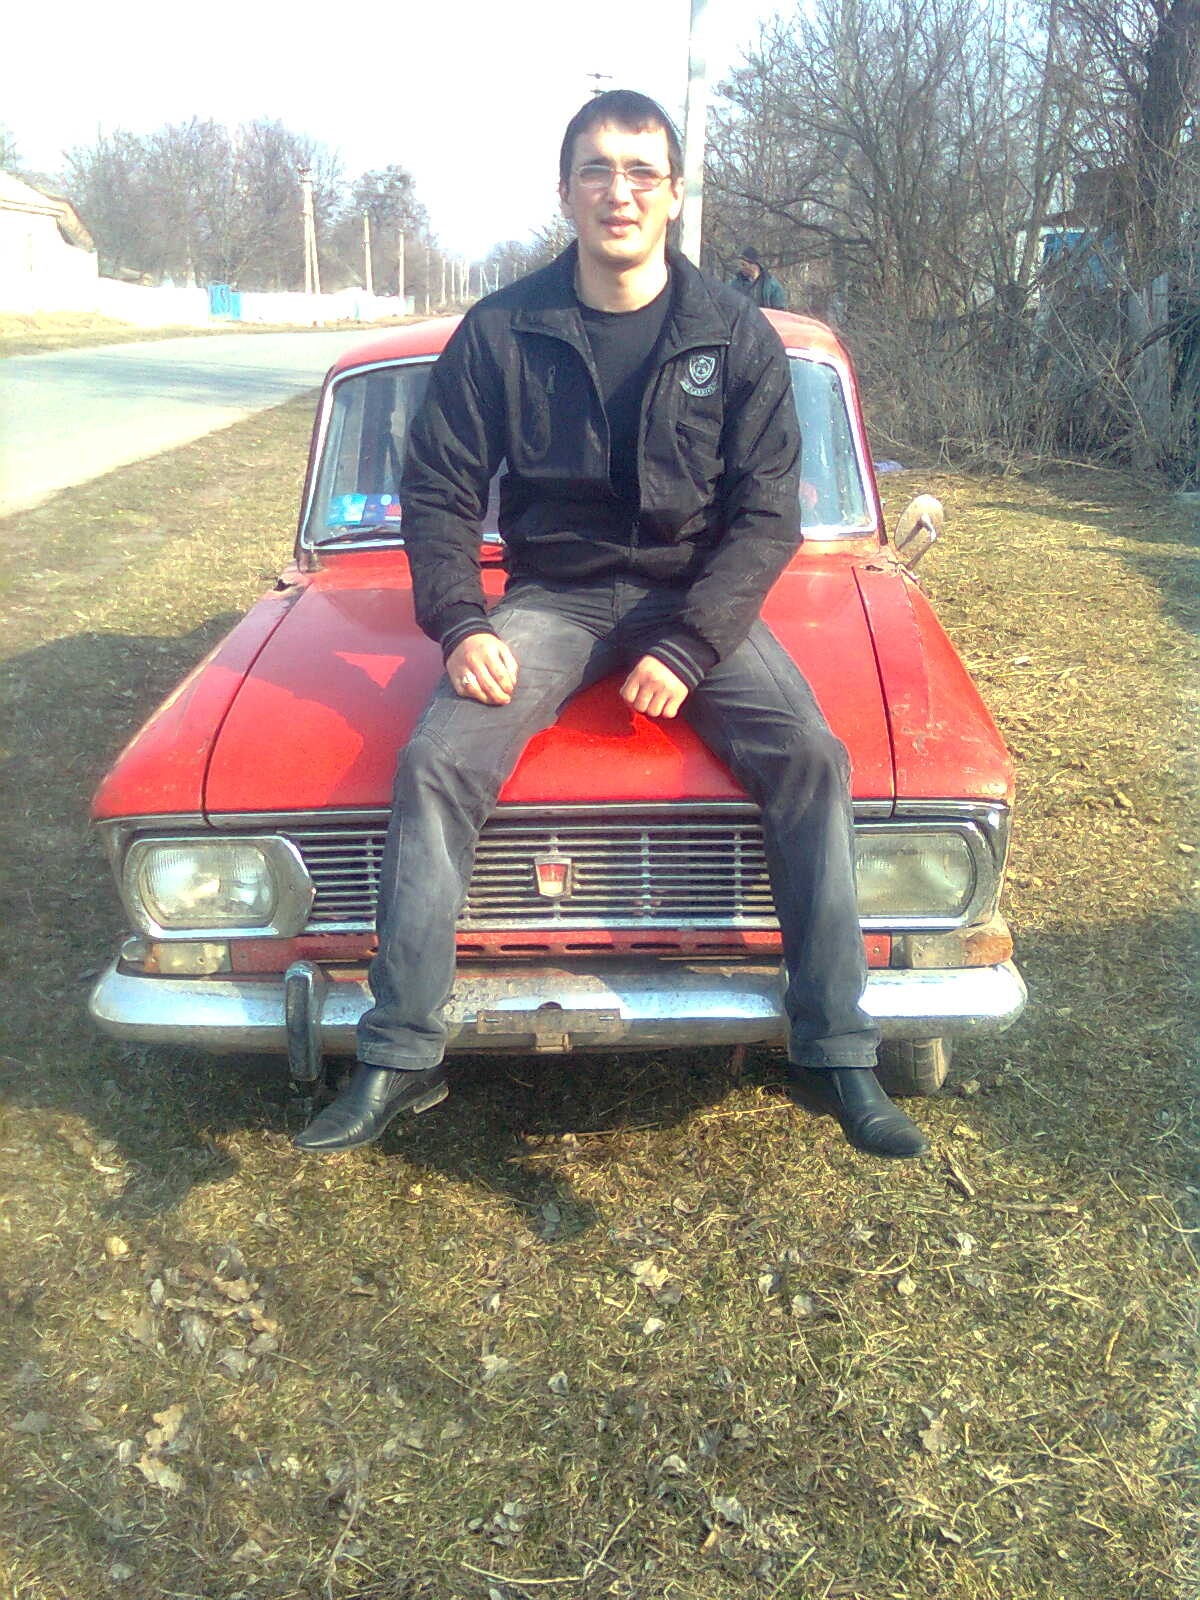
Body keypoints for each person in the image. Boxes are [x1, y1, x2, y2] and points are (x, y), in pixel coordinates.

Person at [294, 90, 927, 1161]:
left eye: (641, 171)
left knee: (812, 756)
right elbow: (439, 487)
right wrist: (460, 623)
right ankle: (399, 1053)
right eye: (597, 169)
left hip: (693, 596)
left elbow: (766, 514)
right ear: (566, 192)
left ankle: (836, 1051)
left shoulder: (733, 332)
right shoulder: (503, 329)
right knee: (439, 758)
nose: (619, 191)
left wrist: (692, 643)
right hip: (553, 598)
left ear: (674, 195)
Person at [730, 245, 787, 310]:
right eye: (740, 265)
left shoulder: (772, 286)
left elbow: (778, 311)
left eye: (744, 265)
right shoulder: (735, 284)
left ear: (754, 265)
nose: (741, 268)